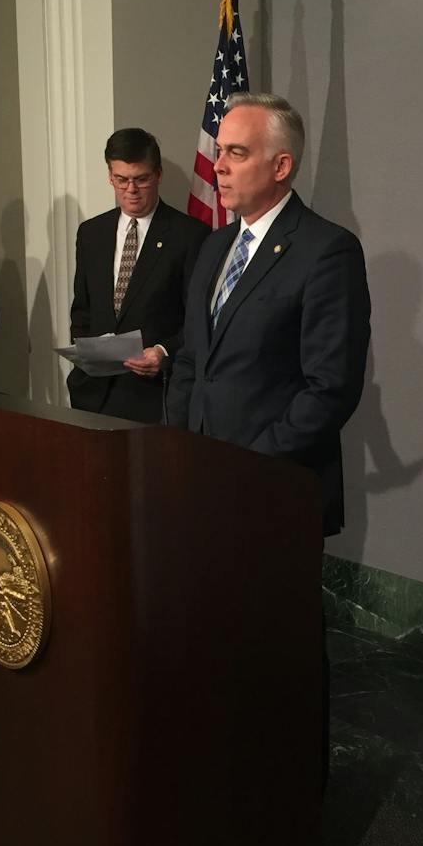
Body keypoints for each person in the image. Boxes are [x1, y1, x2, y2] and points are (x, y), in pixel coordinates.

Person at [166, 93, 371, 538]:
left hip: (272, 492)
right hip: (198, 482)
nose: (218, 165)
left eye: (236, 153)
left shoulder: (327, 251)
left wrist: (248, 466)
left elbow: (330, 389)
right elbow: (191, 357)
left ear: (280, 167)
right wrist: (179, 447)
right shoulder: (214, 245)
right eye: (219, 151)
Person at [67, 128, 207, 422]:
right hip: (93, 396)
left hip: (153, 397)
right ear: (109, 176)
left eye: (140, 179)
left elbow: (198, 320)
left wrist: (162, 352)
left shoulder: (189, 236)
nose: (130, 189)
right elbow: (82, 311)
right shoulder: (92, 233)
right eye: (121, 180)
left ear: (158, 174)